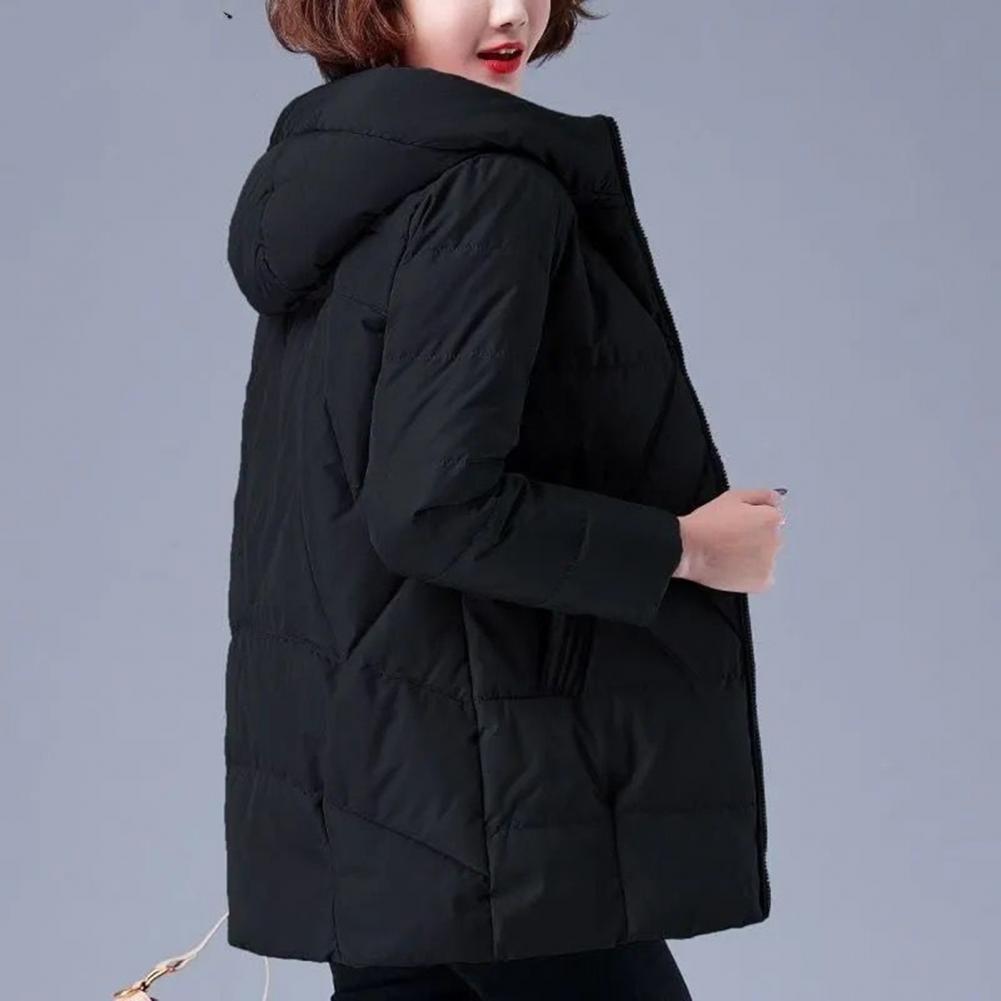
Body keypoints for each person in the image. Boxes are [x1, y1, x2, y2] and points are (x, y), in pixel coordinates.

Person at [223, 1, 785, 998]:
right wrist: (687, 548)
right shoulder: (486, 189)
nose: (510, 11)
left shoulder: (338, 183)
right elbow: (430, 506)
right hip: (494, 808)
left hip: (376, 802)